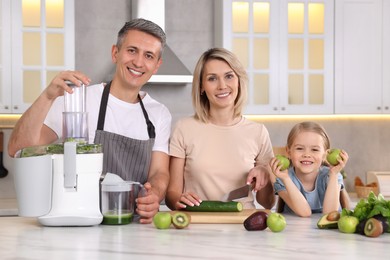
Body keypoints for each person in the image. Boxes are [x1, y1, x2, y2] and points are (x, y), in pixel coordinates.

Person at [8, 18, 172, 224]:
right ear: (115, 53)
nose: (138, 62)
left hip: (134, 225)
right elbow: (18, 149)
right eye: (132, 50)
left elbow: (159, 172)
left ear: (157, 65)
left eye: (149, 56)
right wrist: (47, 97)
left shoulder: (159, 114)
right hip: (80, 223)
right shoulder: (78, 100)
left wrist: (155, 193)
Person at [165, 48, 276, 210]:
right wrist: (179, 200)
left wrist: (265, 176)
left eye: (229, 76)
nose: (222, 85)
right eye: (212, 79)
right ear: (201, 87)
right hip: (197, 224)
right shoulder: (183, 128)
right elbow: (172, 194)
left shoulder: (258, 132)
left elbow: (268, 203)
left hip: (244, 227)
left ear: (238, 80)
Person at [269, 121, 349, 217]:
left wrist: (333, 174)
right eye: (299, 148)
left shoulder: (333, 175)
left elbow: (330, 215)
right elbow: (305, 213)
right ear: (288, 151)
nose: (307, 154)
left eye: (314, 149)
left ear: (325, 154)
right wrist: (286, 179)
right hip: (295, 230)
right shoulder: (283, 179)